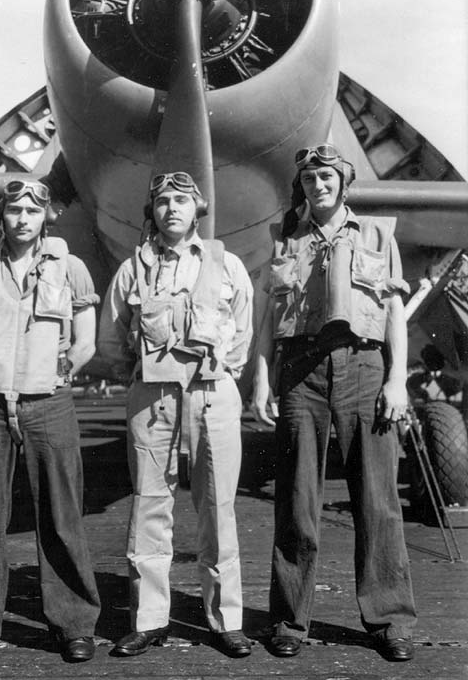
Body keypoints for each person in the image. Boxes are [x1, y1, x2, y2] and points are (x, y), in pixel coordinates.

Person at [251, 144, 417, 662]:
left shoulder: (375, 235)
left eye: (325, 176)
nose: (316, 185)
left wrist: (397, 381)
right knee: (297, 500)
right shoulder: (284, 238)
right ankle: (289, 620)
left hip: (364, 367)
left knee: (378, 500)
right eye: (307, 178)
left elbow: (394, 311)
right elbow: (266, 319)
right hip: (301, 371)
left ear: (343, 182)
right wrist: (261, 379)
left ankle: (389, 620)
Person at [99, 171, 254, 658]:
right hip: (153, 398)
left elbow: (243, 333)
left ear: (197, 210)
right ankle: (149, 620)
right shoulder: (134, 269)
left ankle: (226, 621)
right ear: (153, 211)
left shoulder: (227, 265)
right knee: (149, 504)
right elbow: (111, 337)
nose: (171, 208)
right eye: (163, 201)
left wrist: (220, 376)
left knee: (219, 509)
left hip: (212, 395)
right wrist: (144, 379)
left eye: (181, 201)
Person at [0, 179, 100, 667]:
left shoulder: (69, 268)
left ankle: (74, 625)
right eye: (14, 210)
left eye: (33, 210)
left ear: (46, 217)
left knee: (61, 516)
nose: (22, 219)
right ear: (2, 215)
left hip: (49, 404)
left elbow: (86, 339)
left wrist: (62, 371)